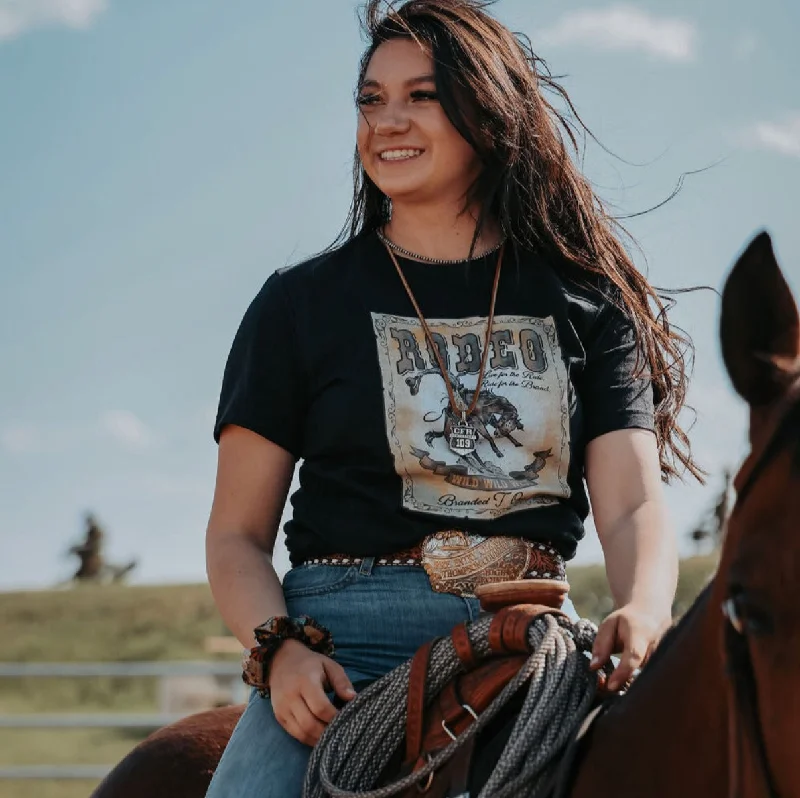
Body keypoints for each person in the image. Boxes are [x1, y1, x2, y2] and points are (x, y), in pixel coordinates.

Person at [203, 1, 700, 795]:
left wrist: (643, 609)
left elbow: (635, 506)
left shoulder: (591, 309)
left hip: (527, 642)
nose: (387, 121)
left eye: (420, 96)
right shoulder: (297, 306)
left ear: (489, 113)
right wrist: (279, 652)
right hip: (339, 658)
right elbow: (235, 535)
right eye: (372, 99)